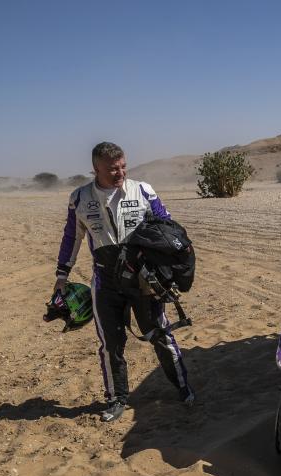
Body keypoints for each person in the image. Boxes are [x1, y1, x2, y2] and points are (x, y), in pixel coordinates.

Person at [53, 141, 193, 422]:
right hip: (105, 282)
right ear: (96, 169)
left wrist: (171, 272)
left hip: (142, 281)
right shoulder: (79, 198)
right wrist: (62, 275)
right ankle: (117, 398)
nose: (120, 173)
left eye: (123, 166)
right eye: (112, 169)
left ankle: (183, 387)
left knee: (160, 335)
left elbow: (168, 229)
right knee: (110, 344)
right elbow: (72, 237)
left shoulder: (142, 190)